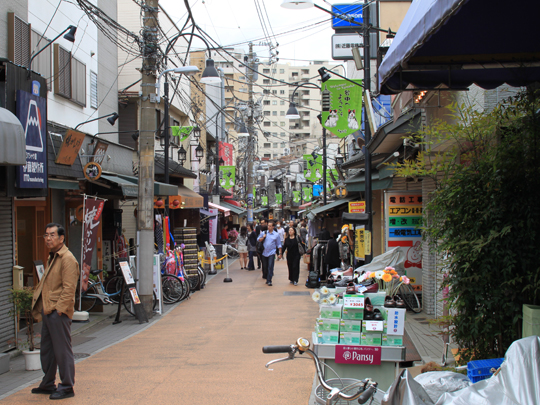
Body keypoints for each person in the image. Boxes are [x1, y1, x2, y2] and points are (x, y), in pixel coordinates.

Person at [31, 223, 80, 400]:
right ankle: (48, 382)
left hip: (57, 312)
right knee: (48, 349)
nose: (48, 238)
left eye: (52, 235)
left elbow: (69, 288)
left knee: (62, 350)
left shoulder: (67, 258)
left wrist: (59, 310)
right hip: (48, 308)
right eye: (46, 235)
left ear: (61, 238)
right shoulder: (53, 257)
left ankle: (67, 386)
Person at [257, 221, 282, 286]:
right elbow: (258, 239)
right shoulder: (264, 233)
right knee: (265, 267)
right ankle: (267, 277)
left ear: (273, 227)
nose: (269, 227)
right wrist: (263, 237)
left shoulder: (276, 235)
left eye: (270, 226)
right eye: (268, 226)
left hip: (272, 252)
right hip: (264, 253)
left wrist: (280, 253)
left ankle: (269, 280)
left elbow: (279, 244)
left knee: (270, 266)